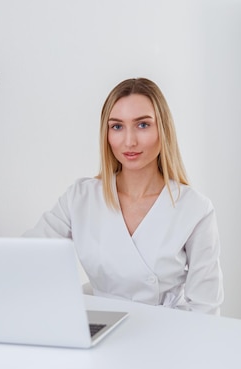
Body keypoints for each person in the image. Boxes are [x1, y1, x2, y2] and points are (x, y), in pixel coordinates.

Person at [24, 78, 224, 314]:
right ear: (106, 134)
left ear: (163, 128)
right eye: (117, 127)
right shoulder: (80, 198)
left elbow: (206, 308)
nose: (129, 141)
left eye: (142, 125)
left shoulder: (194, 208)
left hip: (168, 335)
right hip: (100, 330)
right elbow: (26, 255)